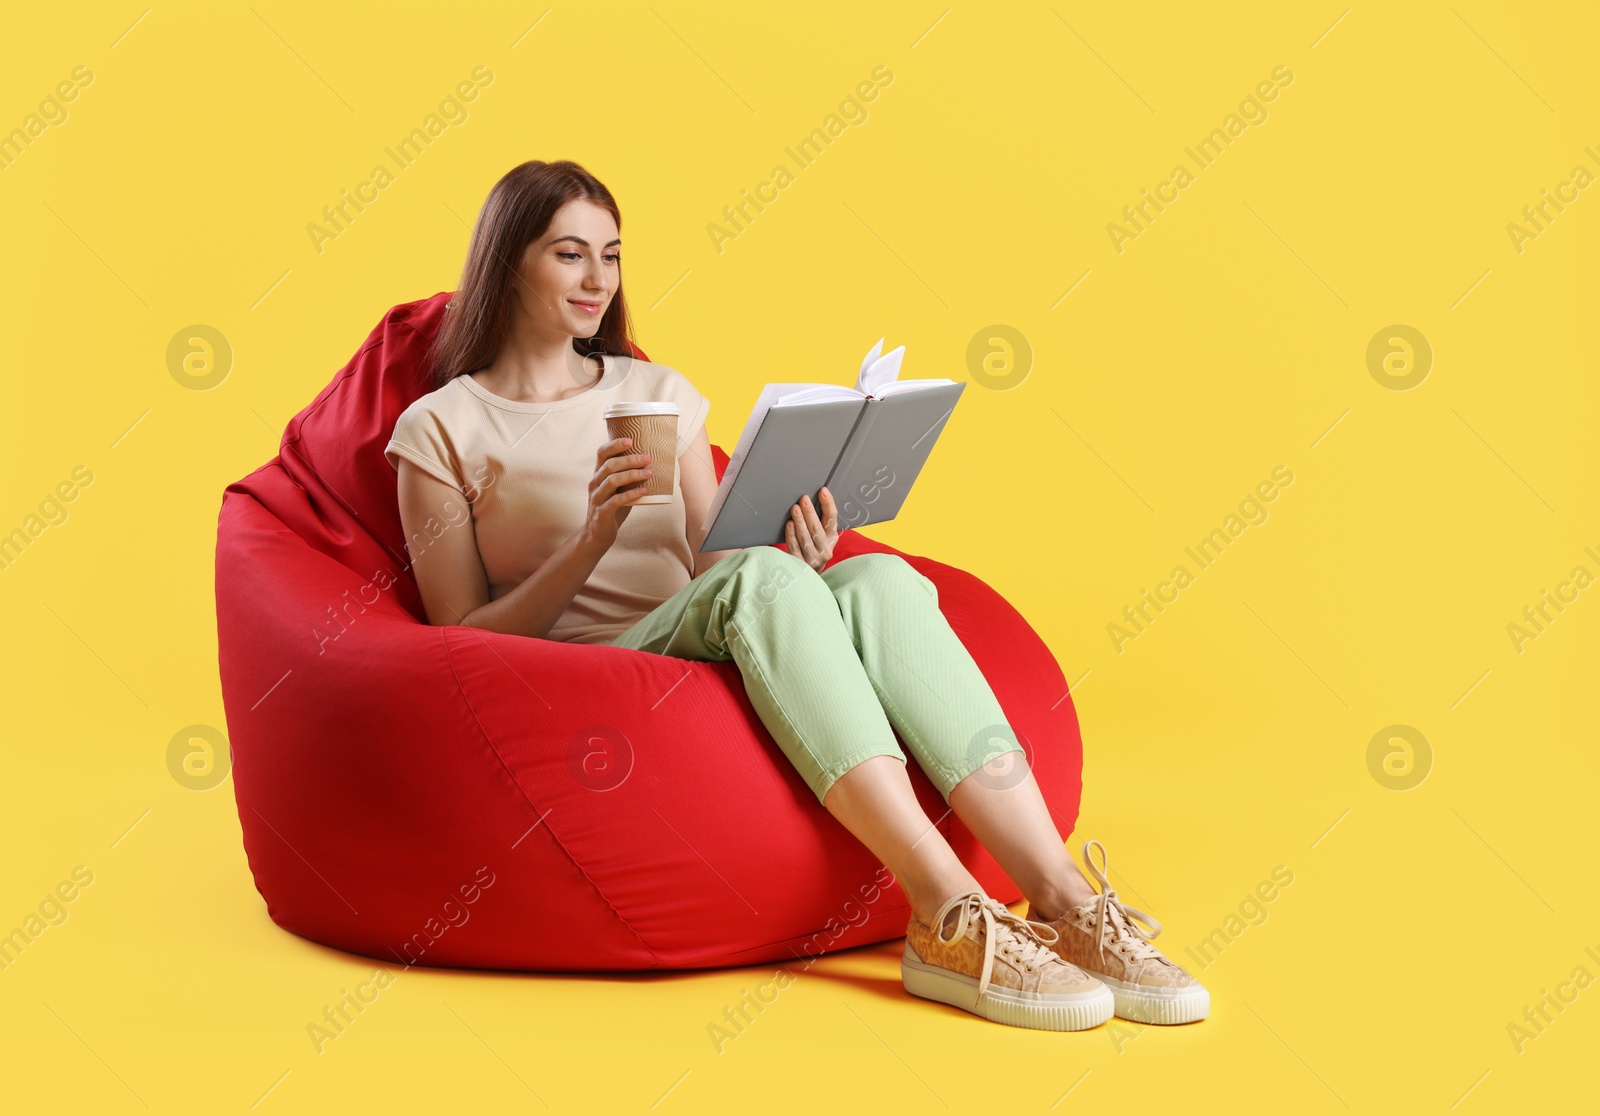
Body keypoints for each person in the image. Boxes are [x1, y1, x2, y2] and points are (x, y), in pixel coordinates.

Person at [383, 159, 1208, 1031]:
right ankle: (948, 910)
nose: (598, 281)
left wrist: (801, 564)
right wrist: (593, 538)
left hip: (697, 628)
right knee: (764, 579)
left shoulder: (656, 393)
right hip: (592, 663)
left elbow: (717, 566)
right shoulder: (442, 427)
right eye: (570, 255)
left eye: (613, 256)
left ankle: (1066, 899)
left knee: (879, 577)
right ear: (511, 261)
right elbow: (459, 634)